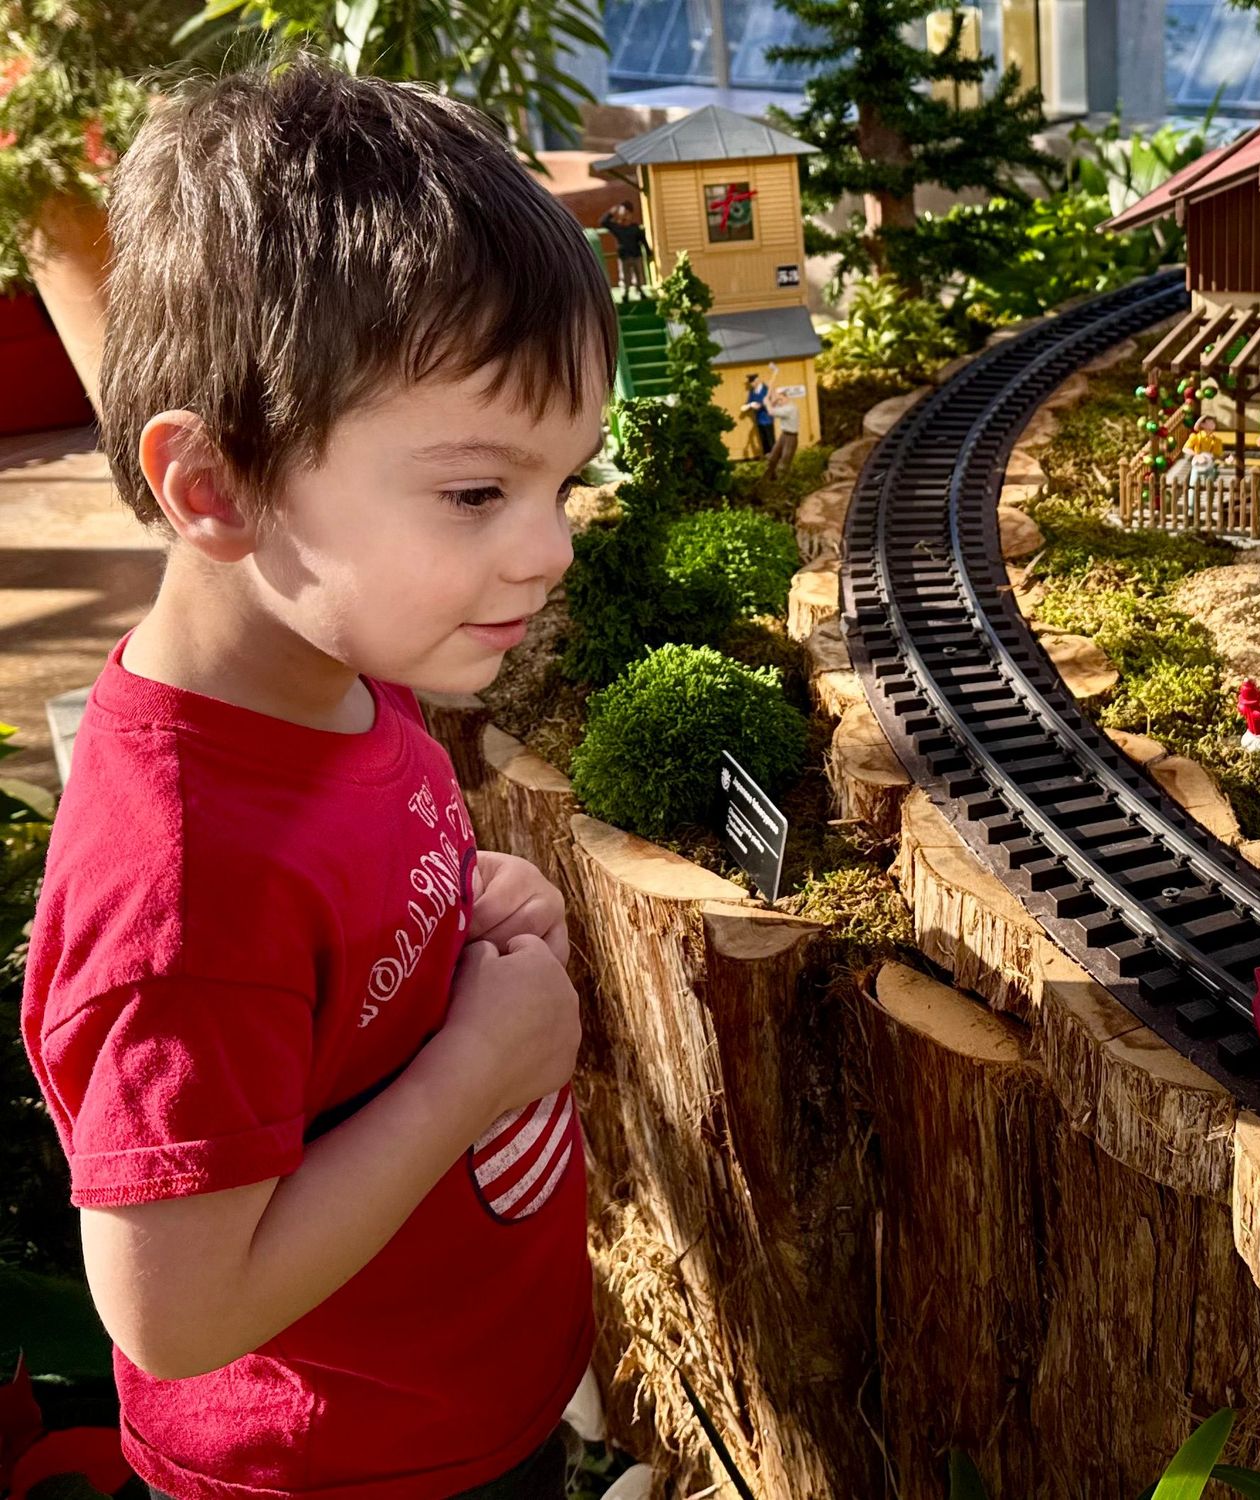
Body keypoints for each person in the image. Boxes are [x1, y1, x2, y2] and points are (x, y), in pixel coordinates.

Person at [21, 61, 612, 1500]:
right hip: (341, 1473)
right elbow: (176, 1314)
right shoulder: (183, 897)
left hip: (461, 1412)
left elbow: (340, 962)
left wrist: (464, 898)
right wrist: (474, 1073)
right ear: (218, 487)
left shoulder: (342, 666)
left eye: (564, 484)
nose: (548, 549)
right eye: (477, 493)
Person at [597, 201, 649, 299]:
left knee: (638, 274)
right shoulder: (617, 227)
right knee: (625, 276)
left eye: (627, 213)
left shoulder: (635, 228)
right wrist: (610, 213)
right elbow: (603, 222)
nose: (625, 215)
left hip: (636, 254)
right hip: (624, 256)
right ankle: (625, 293)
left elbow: (643, 240)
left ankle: (640, 291)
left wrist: (648, 251)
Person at [766, 387, 801, 477]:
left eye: (781, 399)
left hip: (791, 437)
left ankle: (786, 481)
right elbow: (774, 405)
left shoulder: (790, 408)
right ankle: (769, 478)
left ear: (787, 397)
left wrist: (766, 402)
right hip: (784, 435)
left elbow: (771, 411)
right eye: (779, 400)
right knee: (772, 458)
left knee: (784, 463)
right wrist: (772, 395)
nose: (779, 402)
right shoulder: (784, 406)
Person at [741, 371, 775, 456]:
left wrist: (761, 405)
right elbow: (750, 401)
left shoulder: (765, 389)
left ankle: (775, 456)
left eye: (752, 382)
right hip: (759, 419)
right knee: (763, 439)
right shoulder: (752, 392)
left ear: (757, 380)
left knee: (770, 438)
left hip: (767, 418)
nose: (751, 384)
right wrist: (747, 406)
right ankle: (767, 456)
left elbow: (771, 401)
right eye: (750, 383)